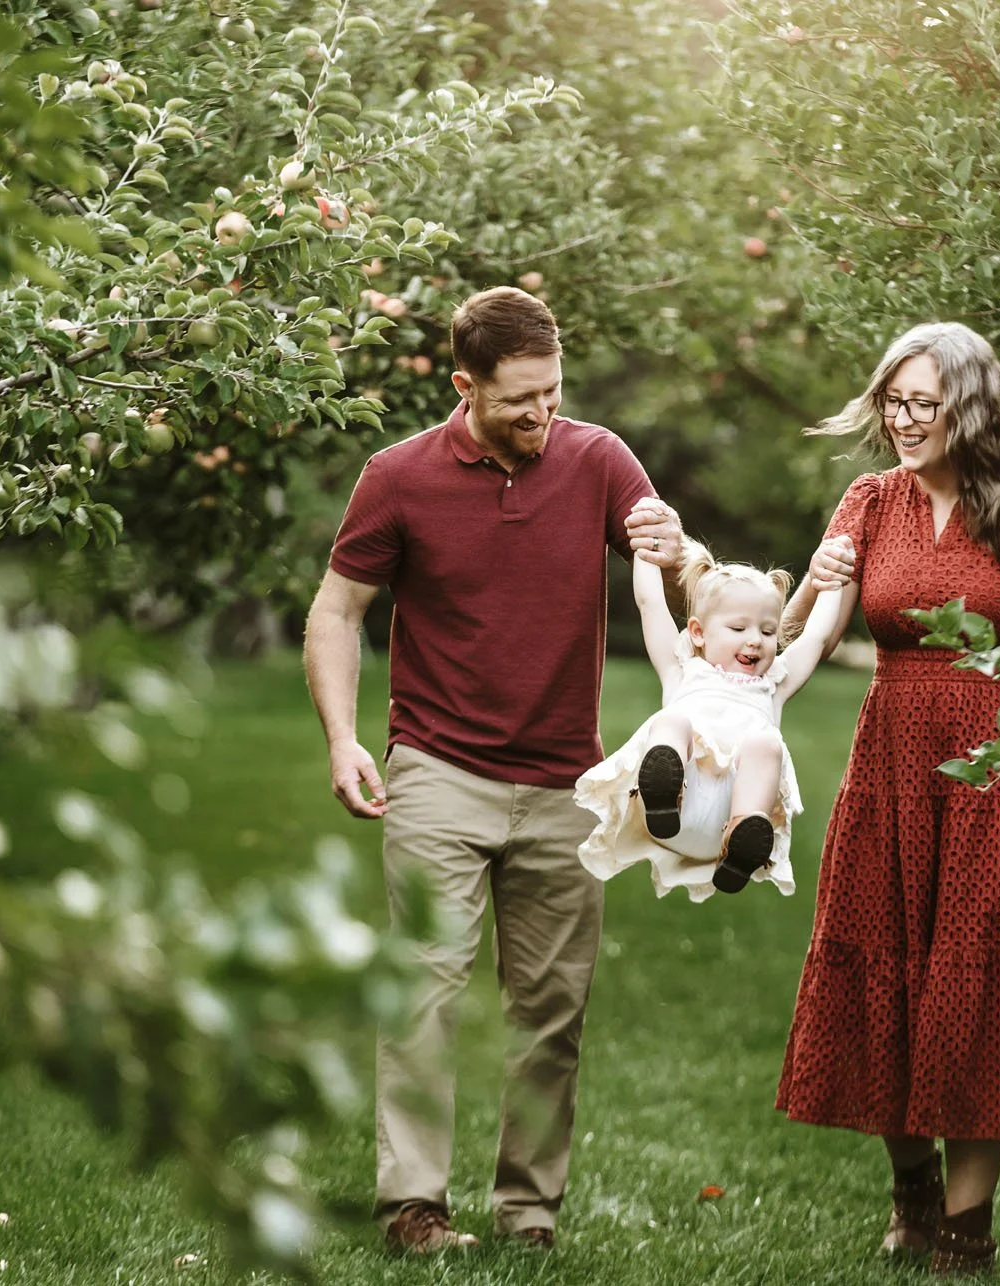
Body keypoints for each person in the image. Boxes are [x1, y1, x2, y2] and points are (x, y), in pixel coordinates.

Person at [302, 286, 683, 1255]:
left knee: (552, 1010)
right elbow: (338, 610)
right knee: (425, 988)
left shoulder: (598, 459)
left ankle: (528, 1212)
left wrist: (682, 549)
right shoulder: (397, 476)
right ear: (463, 383)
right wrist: (345, 737)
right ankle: (413, 1207)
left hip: (568, 777)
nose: (542, 414)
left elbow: (683, 569)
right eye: (520, 399)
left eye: (553, 392)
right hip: (439, 764)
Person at [774, 322, 1000, 1277]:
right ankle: (912, 1190)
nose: (901, 419)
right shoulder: (869, 500)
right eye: (892, 401)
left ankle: (966, 1237)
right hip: (893, 766)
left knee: (979, 984)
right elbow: (804, 637)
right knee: (887, 972)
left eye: (922, 403)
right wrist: (805, 596)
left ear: (971, 405)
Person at [573, 539, 846, 901]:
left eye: (767, 632)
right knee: (673, 722)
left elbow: (816, 636)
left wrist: (833, 582)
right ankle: (662, 789)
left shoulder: (772, 686)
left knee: (766, 744)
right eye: (738, 629)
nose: (756, 642)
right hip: (673, 810)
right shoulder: (681, 671)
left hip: (726, 820)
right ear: (698, 632)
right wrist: (643, 551)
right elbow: (651, 605)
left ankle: (745, 839)